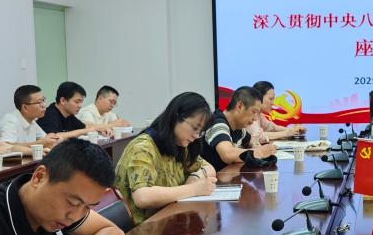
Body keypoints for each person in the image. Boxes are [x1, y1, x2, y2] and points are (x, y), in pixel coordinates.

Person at [114, 92, 218, 225]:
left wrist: (195, 177)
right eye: (195, 128)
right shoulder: (144, 147)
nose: (196, 136)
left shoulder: (179, 144)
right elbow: (143, 197)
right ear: (176, 117)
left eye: (200, 132)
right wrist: (193, 189)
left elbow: (209, 168)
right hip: (141, 229)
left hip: (167, 220)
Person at [201, 86, 278, 171]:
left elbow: (250, 141)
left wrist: (255, 145)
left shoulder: (238, 127)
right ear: (240, 106)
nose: (255, 118)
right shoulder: (217, 123)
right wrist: (260, 152)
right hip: (214, 177)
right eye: (254, 112)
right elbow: (227, 154)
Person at [0, 85, 61, 151]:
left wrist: (51, 140)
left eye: (43, 100)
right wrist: (39, 143)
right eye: (39, 102)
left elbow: (45, 140)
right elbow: (6, 146)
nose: (44, 105)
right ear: (25, 107)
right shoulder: (10, 120)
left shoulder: (32, 120)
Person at [38, 82, 111, 138]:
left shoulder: (69, 115)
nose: (80, 106)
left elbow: (84, 127)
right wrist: (85, 131)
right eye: (77, 102)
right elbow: (54, 137)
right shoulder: (48, 114)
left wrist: (101, 128)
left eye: (81, 102)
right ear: (63, 100)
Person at [247, 81, 305, 146]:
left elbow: (272, 127)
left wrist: (293, 130)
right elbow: (258, 137)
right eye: (271, 99)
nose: (273, 103)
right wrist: (285, 133)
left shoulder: (259, 113)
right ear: (259, 97)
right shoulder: (249, 113)